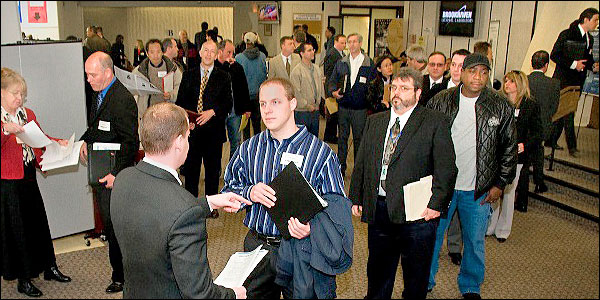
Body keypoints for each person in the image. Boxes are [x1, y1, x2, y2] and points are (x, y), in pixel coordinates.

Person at [221, 78, 348, 299]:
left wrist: (312, 229)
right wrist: (248, 192)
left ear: (292, 103)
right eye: (262, 104)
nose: (267, 110)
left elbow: (337, 211)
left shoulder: (320, 154)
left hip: (301, 249)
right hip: (258, 248)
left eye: (276, 102)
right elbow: (227, 191)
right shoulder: (249, 148)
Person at [110, 102, 248, 299]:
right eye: (188, 137)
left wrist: (209, 202)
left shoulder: (123, 180)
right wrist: (235, 295)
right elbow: (200, 294)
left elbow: (160, 212)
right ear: (178, 142)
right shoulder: (184, 212)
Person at [350, 67, 457, 299]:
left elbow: (446, 168)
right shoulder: (375, 121)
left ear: (418, 93)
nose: (396, 93)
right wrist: (357, 196)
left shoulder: (434, 122)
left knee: (415, 276)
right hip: (380, 209)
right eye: (394, 87)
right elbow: (363, 161)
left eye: (404, 88)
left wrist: (437, 204)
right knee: (378, 272)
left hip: (417, 213)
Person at [426, 53, 517, 300]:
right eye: (473, 71)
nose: (478, 77)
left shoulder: (501, 106)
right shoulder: (440, 101)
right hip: (442, 187)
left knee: (475, 242)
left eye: (484, 72)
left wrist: (500, 183)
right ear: (461, 73)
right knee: (431, 238)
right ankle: (425, 280)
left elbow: (509, 148)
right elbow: (426, 142)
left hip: (479, 188)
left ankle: (470, 285)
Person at [1, 68, 72, 298]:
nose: (19, 99)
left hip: (28, 174)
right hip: (8, 181)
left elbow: (40, 139)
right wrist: (5, 130)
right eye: (14, 94)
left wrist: (57, 143)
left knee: (38, 222)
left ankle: (49, 267)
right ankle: (24, 278)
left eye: (22, 94)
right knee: (18, 229)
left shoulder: (27, 113)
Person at [79, 51, 139, 294]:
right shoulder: (99, 93)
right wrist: (86, 140)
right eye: (87, 75)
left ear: (107, 72)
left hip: (115, 175)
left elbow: (130, 143)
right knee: (109, 225)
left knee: (116, 228)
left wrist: (117, 174)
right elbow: (99, 126)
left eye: (92, 75)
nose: (88, 79)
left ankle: (121, 277)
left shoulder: (122, 99)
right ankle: (120, 272)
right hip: (102, 169)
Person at [176, 40, 232, 219]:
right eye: (205, 50)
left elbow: (228, 104)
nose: (208, 54)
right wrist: (187, 120)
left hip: (213, 133)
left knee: (212, 171)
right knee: (191, 171)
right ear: (199, 52)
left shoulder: (223, 76)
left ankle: (211, 206)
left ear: (217, 55)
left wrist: (212, 112)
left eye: (212, 51)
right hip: (191, 132)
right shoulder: (188, 75)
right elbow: (180, 103)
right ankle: (190, 206)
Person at [427, 48, 471, 266]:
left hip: (465, 165)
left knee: (458, 214)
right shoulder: (438, 92)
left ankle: (455, 247)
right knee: (439, 210)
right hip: (440, 161)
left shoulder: (476, 95)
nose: (456, 69)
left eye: (461, 66)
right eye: (453, 64)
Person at [487, 70, 541, 242]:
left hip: (517, 157)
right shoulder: (500, 102)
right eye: (506, 81)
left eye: (511, 81)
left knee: (509, 194)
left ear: (519, 84)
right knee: (494, 190)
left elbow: (538, 133)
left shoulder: (530, 105)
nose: (507, 84)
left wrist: (524, 145)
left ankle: (503, 230)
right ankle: (490, 226)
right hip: (498, 154)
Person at [549, 8, 599, 157]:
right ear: (586, 20)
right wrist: (573, 64)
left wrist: (593, 66)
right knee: (569, 112)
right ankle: (572, 147)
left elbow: (586, 59)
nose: (597, 23)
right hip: (564, 80)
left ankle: (550, 141)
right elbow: (555, 55)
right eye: (595, 20)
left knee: (563, 112)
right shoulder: (567, 34)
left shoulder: (590, 38)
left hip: (577, 82)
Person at [327, 33, 376, 177]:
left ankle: (358, 170)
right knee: (342, 138)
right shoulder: (342, 62)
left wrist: (369, 101)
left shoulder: (368, 63)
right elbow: (332, 81)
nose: (352, 44)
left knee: (359, 140)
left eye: (355, 42)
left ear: (360, 43)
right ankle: (341, 168)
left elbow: (374, 86)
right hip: (343, 107)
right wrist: (333, 92)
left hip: (360, 109)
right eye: (349, 42)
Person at [526, 50, 560, 198]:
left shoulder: (524, 80)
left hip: (525, 126)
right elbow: (554, 108)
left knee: (525, 155)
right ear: (546, 65)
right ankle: (539, 182)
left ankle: (523, 185)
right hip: (543, 126)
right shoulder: (554, 84)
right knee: (538, 151)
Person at [214, 39, 251, 159]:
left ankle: (232, 169)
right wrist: (226, 65)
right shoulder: (214, 67)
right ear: (220, 52)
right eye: (228, 52)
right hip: (218, 112)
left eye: (232, 53)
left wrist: (247, 108)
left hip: (235, 111)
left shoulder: (237, 67)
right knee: (217, 142)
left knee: (235, 141)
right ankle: (216, 171)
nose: (231, 56)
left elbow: (244, 87)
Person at [132, 38, 182, 123]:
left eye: (158, 52)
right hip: (146, 115)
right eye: (152, 52)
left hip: (167, 114)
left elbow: (180, 86)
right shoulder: (139, 71)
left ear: (162, 52)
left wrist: (171, 95)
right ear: (147, 54)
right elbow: (132, 89)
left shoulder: (173, 68)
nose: (156, 55)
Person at [236, 32, 267, 141]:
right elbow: (265, 74)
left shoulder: (239, 58)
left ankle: (246, 146)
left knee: (244, 126)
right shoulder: (263, 56)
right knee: (257, 124)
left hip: (244, 97)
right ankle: (258, 144)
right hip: (258, 96)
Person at [290, 43, 325, 138]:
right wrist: (307, 105)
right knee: (301, 139)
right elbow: (296, 92)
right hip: (302, 112)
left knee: (314, 138)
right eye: (309, 50)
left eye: (313, 50)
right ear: (302, 53)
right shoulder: (297, 71)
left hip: (315, 110)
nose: (313, 52)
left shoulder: (317, 68)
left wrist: (321, 102)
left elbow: (320, 87)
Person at [323, 34, 346, 144]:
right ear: (336, 42)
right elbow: (329, 73)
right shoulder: (332, 54)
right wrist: (331, 89)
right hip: (333, 88)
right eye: (342, 43)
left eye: (345, 43)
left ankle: (332, 135)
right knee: (332, 113)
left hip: (338, 87)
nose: (344, 45)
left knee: (335, 114)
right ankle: (329, 136)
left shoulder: (341, 54)